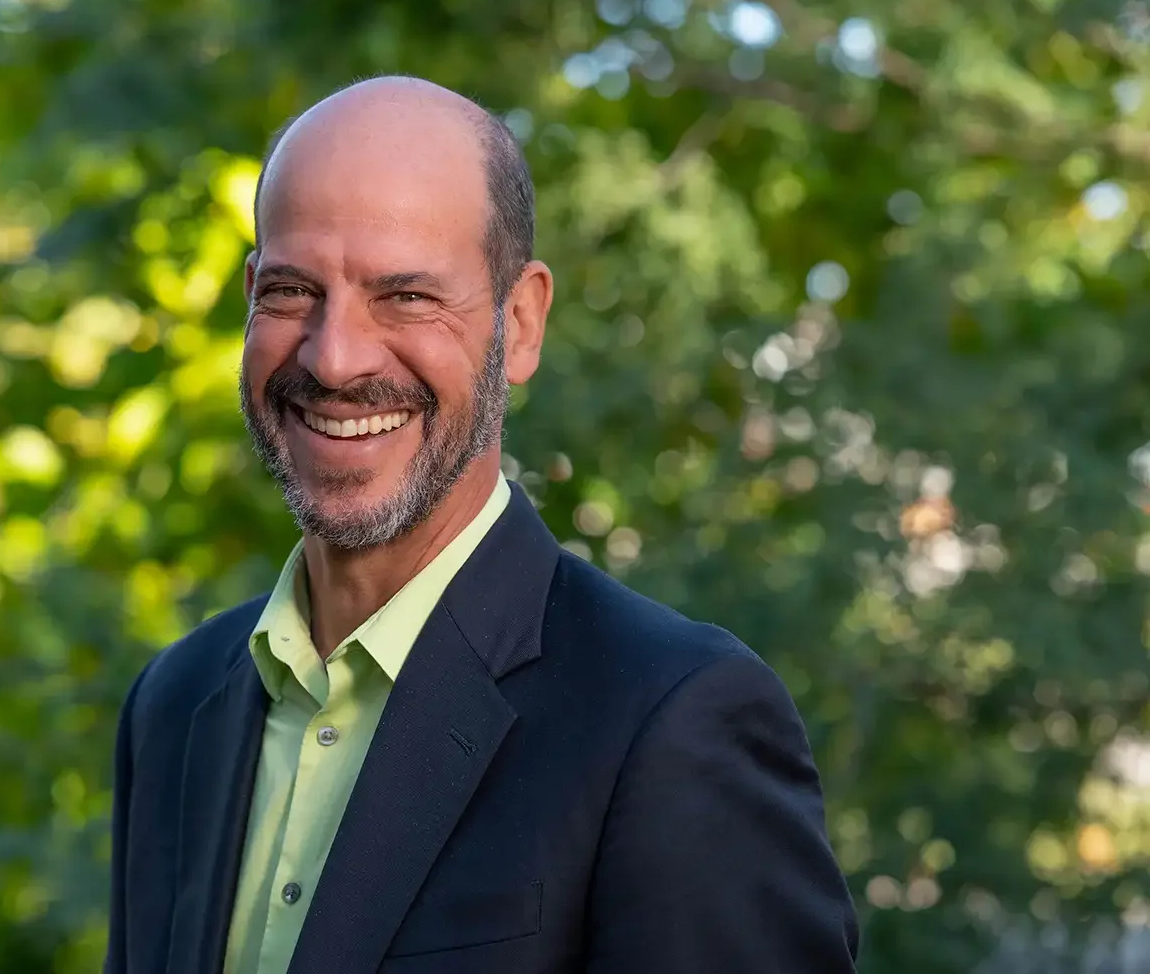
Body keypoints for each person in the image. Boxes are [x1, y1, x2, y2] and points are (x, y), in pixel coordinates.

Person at [104, 75, 859, 974]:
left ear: (522, 320)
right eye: (293, 291)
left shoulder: (671, 721)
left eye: (407, 297)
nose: (335, 357)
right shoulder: (174, 706)